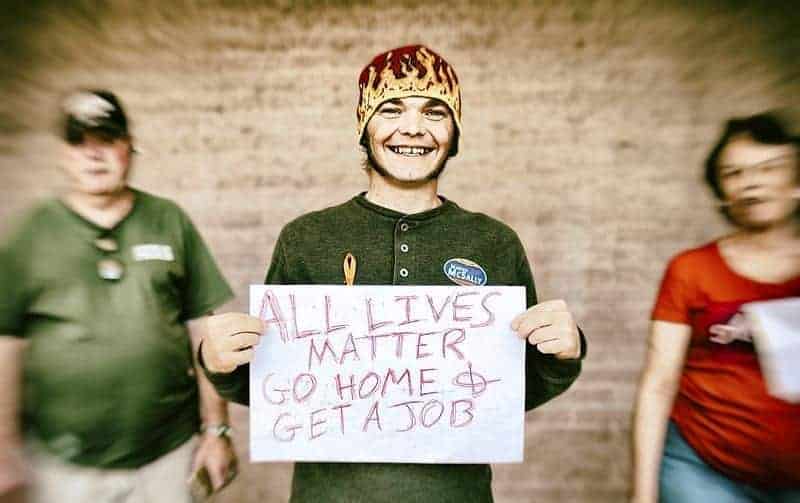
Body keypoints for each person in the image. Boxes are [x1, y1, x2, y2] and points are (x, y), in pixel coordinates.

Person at [200, 45, 586, 503]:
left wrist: (563, 354)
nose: (413, 128)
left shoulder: (494, 243)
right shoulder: (306, 238)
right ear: (365, 127)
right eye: (392, 109)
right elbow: (279, 391)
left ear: (455, 133)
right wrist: (218, 361)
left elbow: (505, 394)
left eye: (435, 112)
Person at [0, 90, 238, 502]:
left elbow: (206, 329)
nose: (94, 155)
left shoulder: (169, 220)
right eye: (79, 142)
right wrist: (3, 446)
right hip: (63, 462)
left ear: (129, 147)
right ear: (62, 153)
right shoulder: (33, 233)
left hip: (167, 453)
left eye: (106, 140)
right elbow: (6, 344)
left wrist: (216, 431)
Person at [631, 113, 800, 503]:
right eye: (734, 173)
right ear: (722, 191)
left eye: (769, 168)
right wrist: (642, 493)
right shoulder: (691, 270)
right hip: (703, 469)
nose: (752, 182)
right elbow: (658, 384)